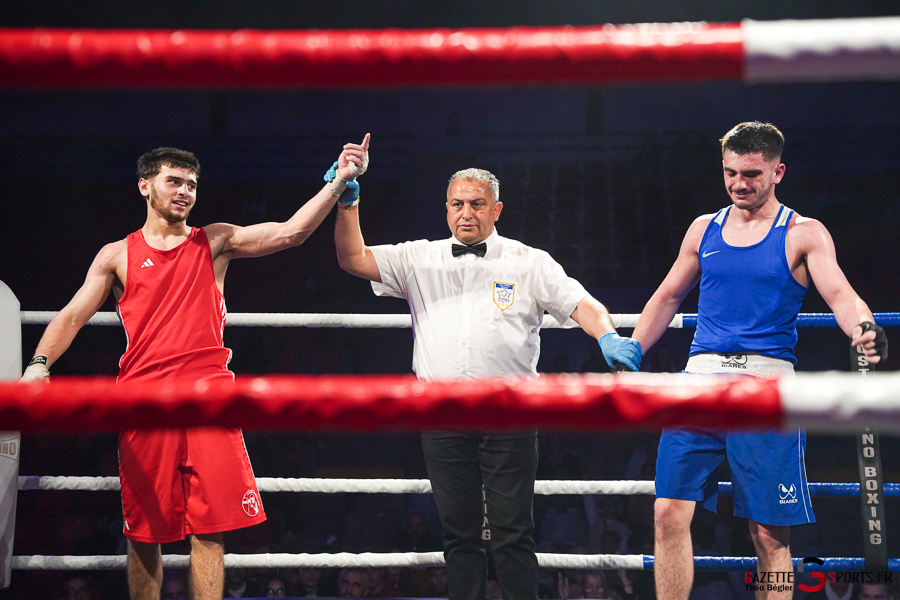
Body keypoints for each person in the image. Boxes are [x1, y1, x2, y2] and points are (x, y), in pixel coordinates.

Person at [20, 135, 371, 600]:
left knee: (212, 528)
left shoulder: (216, 241)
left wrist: (339, 182)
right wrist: (39, 365)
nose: (185, 191)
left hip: (210, 402)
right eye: (174, 181)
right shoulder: (116, 255)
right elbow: (70, 317)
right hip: (144, 403)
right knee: (145, 533)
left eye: (191, 184)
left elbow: (291, 232)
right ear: (146, 187)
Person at [335, 168, 641, 600]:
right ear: (446, 210)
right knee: (458, 536)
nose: (466, 213)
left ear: (496, 209)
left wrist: (607, 334)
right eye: (457, 204)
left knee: (513, 533)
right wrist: (347, 204)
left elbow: (582, 303)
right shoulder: (418, 258)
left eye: (477, 204)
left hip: (510, 414)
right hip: (440, 414)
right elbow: (352, 258)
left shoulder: (528, 261)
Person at [631, 121, 888, 600]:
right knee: (667, 513)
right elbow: (668, 296)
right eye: (730, 172)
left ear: (778, 171)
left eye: (751, 173)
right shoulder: (702, 228)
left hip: (767, 389)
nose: (738, 184)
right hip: (700, 383)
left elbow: (843, 298)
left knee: (769, 534)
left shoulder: (803, 233)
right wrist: (633, 348)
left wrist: (864, 330)